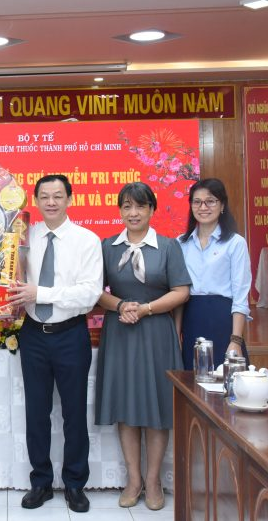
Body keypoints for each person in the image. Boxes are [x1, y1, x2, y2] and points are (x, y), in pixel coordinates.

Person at [7, 174, 103, 514]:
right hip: (33, 334)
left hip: (70, 334)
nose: (51, 202)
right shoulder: (23, 236)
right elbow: (12, 280)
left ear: (69, 199)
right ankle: (41, 483)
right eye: (44, 196)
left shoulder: (86, 240)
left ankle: (75, 484)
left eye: (58, 196)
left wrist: (41, 293)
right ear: (36, 200)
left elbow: (90, 293)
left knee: (74, 413)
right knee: (37, 413)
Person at [94, 182, 191, 512]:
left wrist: (146, 309)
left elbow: (181, 291)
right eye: (126, 206)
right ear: (120, 210)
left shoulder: (168, 247)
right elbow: (95, 292)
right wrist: (121, 305)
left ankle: (153, 481)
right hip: (121, 332)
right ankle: (133, 480)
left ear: (151, 209)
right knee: (127, 406)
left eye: (140, 206)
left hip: (157, 333)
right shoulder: (108, 247)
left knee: (157, 409)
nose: (133, 213)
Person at [177, 177, 252, 369]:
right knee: (192, 379)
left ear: (222, 205)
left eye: (210, 201)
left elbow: (240, 296)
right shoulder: (180, 244)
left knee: (226, 380)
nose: (203, 207)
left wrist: (235, 339)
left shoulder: (235, 243)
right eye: (197, 202)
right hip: (191, 320)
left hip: (222, 321)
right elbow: (177, 293)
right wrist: (177, 335)